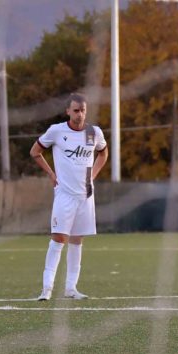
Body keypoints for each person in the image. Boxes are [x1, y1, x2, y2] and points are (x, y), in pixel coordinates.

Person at [30, 92, 108, 301]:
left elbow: (103, 153)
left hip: (86, 195)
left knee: (77, 239)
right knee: (58, 238)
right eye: (76, 110)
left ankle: (71, 288)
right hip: (65, 194)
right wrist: (51, 174)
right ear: (67, 111)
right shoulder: (56, 131)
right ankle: (47, 288)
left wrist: (93, 175)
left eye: (83, 110)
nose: (80, 114)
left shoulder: (94, 132)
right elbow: (35, 152)